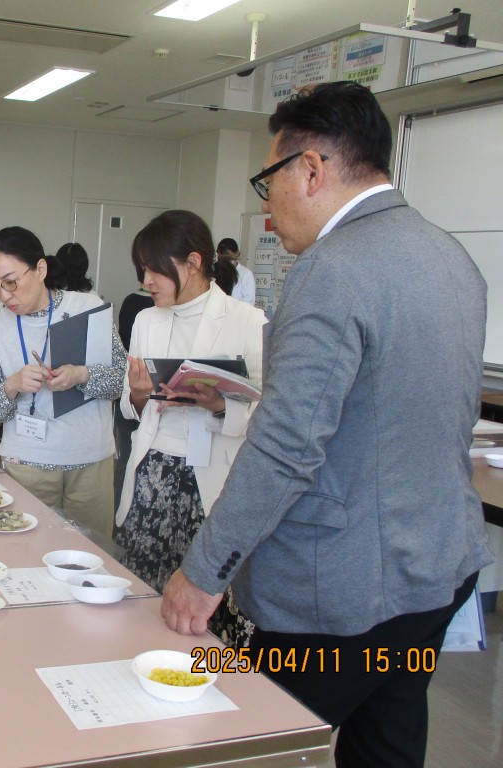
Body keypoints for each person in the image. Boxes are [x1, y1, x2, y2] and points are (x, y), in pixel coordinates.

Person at [161, 81, 493, 768]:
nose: (265, 205)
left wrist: (204, 570)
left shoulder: (333, 270)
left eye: (268, 179)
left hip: (339, 592)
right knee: (389, 736)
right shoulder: (451, 256)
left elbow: (285, 446)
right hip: (434, 569)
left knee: (247, 743)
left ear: (311, 168)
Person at [114, 210, 266, 648]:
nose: (146, 280)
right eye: (142, 269)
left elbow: (271, 413)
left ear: (194, 262)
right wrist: (139, 394)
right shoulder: (147, 320)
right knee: (146, 595)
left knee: (206, 607)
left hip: (212, 478)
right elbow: (132, 403)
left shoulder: (246, 321)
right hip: (153, 473)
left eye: (155, 269)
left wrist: (220, 404)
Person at [0, 226, 125, 547]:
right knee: (27, 555)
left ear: (40, 269)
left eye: (11, 282)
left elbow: (122, 383)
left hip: (90, 463)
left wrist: (82, 374)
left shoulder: (87, 308)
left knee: (94, 559)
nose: (4, 296)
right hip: (27, 466)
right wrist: (12, 385)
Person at [113, 268, 153, 509]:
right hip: (134, 386)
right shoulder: (147, 316)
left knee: (125, 457)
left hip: (131, 377)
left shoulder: (130, 301)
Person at [215, 237, 256, 305]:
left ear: (237, 254)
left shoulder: (246, 274)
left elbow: (249, 302)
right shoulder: (215, 272)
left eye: (227, 256)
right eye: (220, 256)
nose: (224, 260)